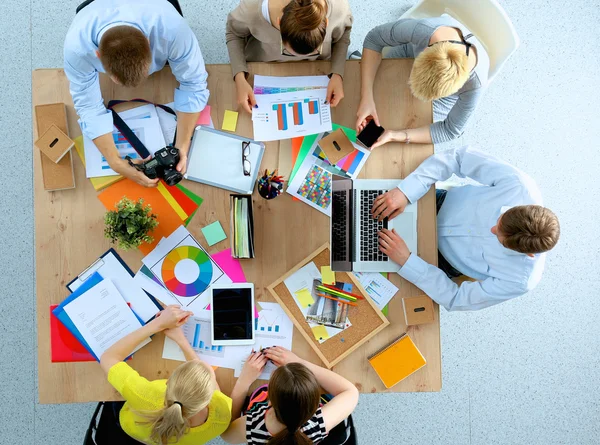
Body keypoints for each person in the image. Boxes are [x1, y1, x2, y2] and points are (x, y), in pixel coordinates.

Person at [372, 147, 560, 311]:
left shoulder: (521, 279)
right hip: (431, 203)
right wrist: (406, 191)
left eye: (499, 240)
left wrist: (408, 262)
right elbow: (460, 157)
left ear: (527, 255)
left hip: (434, 263)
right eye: (500, 219)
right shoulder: (520, 186)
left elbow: (456, 299)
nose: (492, 229)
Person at [64, 0, 210, 187]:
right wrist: (115, 162)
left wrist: (182, 146)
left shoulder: (174, 29)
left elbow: (194, 83)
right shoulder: (76, 47)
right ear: (98, 55)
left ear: (148, 43)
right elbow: (87, 105)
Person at [99, 306, 232, 444]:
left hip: (130, 427)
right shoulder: (221, 415)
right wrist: (181, 340)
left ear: (167, 382)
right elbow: (208, 379)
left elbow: (108, 358)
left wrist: (158, 324)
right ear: (209, 397)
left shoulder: (144, 395)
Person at [356, 16, 491, 147]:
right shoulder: (423, 30)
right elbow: (374, 39)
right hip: (407, 54)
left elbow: (450, 130)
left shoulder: (475, 85)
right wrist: (366, 97)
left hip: (441, 101)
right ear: (425, 50)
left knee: (402, 123)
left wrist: (395, 135)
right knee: (364, 94)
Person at [226, 0, 353, 113]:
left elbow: (342, 35)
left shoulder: (339, 8)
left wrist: (337, 74)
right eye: (289, 51)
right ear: (279, 23)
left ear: (326, 22)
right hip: (264, 66)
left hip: (317, 68)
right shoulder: (251, 9)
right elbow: (233, 33)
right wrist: (239, 78)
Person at [221, 346, 359, 444]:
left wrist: (243, 382)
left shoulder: (254, 426)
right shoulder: (315, 425)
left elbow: (227, 434)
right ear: (314, 404)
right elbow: (351, 391)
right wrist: (300, 363)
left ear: (269, 401)